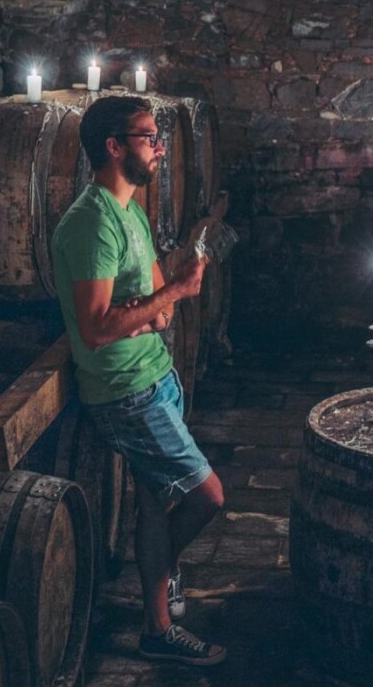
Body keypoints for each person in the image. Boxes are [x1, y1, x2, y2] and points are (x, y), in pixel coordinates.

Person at [51, 96, 227, 667]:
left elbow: (159, 313)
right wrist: (165, 296)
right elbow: (100, 328)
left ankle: (157, 628)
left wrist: (158, 301)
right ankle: (162, 575)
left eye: (157, 136)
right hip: (126, 390)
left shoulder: (132, 212)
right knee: (206, 497)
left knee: (155, 507)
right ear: (113, 146)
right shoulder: (90, 224)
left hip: (157, 373)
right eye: (148, 136)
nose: (159, 146)